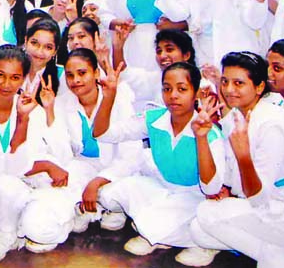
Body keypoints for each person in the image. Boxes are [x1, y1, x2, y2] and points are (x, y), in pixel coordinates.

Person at [189, 51, 284, 268]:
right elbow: (211, 187)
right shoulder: (233, 119)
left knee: (206, 214)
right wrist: (201, 138)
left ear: (259, 87)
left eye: (238, 83)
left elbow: (258, 198)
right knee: (198, 229)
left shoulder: (272, 123)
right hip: (271, 212)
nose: (229, 89)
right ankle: (283, 257)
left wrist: (243, 156)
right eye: (225, 81)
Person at [93, 62, 225, 264]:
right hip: (163, 188)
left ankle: (204, 243)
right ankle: (159, 233)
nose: (173, 95)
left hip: (194, 199)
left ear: (197, 93)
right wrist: (109, 96)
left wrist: (201, 137)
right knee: (109, 195)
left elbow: (211, 188)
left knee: (152, 224)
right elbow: (102, 134)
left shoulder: (210, 132)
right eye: (167, 88)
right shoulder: (154, 119)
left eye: (182, 89)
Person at [0, 45, 74, 263]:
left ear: (22, 80)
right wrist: (22, 123)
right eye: (0, 75)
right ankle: (5, 237)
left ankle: (48, 222)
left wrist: (43, 163)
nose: (6, 84)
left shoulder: (34, 110)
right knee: (6, 185)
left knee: (40, 230)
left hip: (34, 185)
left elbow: (56, 155)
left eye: (15, 78)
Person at [97, 0, 189, 108]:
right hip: (130, 46)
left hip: (163, 51)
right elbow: (104, 12)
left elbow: (181, 15)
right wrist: (118, 23)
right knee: (130, 94)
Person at [59, 48, 142, 233]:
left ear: (96, 73)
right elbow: (63, 151)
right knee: (65, 179)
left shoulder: (118, 100)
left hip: (117, 166)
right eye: (70, 75)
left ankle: (106, 206)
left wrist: (97, 182)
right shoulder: (62, 103)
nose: (76, 81)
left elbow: (131, 155)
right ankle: (87, 208)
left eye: (82, 73)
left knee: (111, 195)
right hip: (84, 165)